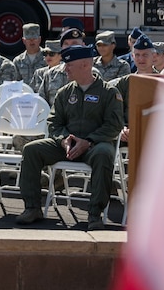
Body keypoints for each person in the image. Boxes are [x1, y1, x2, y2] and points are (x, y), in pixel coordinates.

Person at [15, 45, 124, 231]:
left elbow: (113, 126)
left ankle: (94, 214)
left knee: (105, 154)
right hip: (66, 145)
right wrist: (64, 139)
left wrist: (88, 141)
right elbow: (54, 122)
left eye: (69, 65)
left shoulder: (109, 93)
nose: (64, 69)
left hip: (95, 145)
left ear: (85, 65)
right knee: (32, 149)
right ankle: (32, 207)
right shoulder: (64, 93)